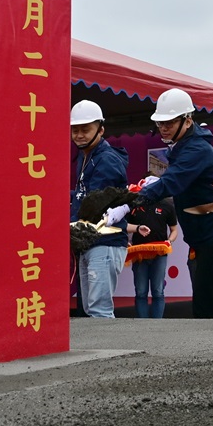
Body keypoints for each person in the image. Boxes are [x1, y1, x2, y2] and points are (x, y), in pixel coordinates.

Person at [133, 88, 213, 319]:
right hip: (209, 233)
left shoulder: (196, 149)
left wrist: (134, 198)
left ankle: (209, 347)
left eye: (169, 123)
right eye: (160, 123)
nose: (163, 128)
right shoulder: (185, 146)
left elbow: (172, 183)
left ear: (187, 120)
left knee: (205, 297)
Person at [70, 100, 130, 319]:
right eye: (75, 130)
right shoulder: (87, 157)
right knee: (90, 308)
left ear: (101, 129)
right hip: (91, 242)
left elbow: (95, 203)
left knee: (99, 310)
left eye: (86, 129)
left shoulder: (106, 160)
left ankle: (115, 354)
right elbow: (82, 196)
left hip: (105, 242)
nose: (79, 135)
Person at [126, 198, 178, 318]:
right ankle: (142, 325)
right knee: (140, 292)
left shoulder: (167, 205)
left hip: (159, 254)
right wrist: (126, 241)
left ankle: (156, 326)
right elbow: (125, 226)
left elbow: (174, 230)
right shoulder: (135, 204)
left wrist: (169, 241)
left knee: (158, 292)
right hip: (139, 254)